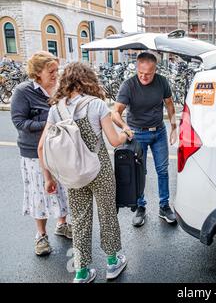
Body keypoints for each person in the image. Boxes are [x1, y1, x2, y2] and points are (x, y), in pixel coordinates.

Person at [38, 62, 129, 283]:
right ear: (88, 79)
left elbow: (41, 147)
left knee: (78, 221)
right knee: (107, 214)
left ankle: (81, 272)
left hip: (72, 174)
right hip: (99, 170)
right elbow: (115, 141)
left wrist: (49, 178)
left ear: (66, 80)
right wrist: (126, 131)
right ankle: (112, 262)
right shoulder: (96, 105)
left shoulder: (55, 110)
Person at [10, 51, 72, 256]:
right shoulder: (23, 91)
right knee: (40, 194)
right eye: (51, 71)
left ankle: (62, 224)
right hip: (33, 152)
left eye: (57, 70)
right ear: (37, 73)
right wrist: (47, 124)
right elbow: (20, 122)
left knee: (62, 189)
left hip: (59, 149)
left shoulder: (59, 89)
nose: (56, 74)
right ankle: (41, 235)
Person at [112, 52, 177, 227]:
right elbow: (115, 112)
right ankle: (141, 207)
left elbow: (169, 104)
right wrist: (124, 127)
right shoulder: (129, 85)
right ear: (137, 68)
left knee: (162, 170)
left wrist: (173, 128)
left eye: (148, 73)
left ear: (155, 70)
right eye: (141, 72)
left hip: (159, 132)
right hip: (137, 133)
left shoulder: (162, 81)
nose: (144, 76)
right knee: (140, 172)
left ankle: (164, 206)